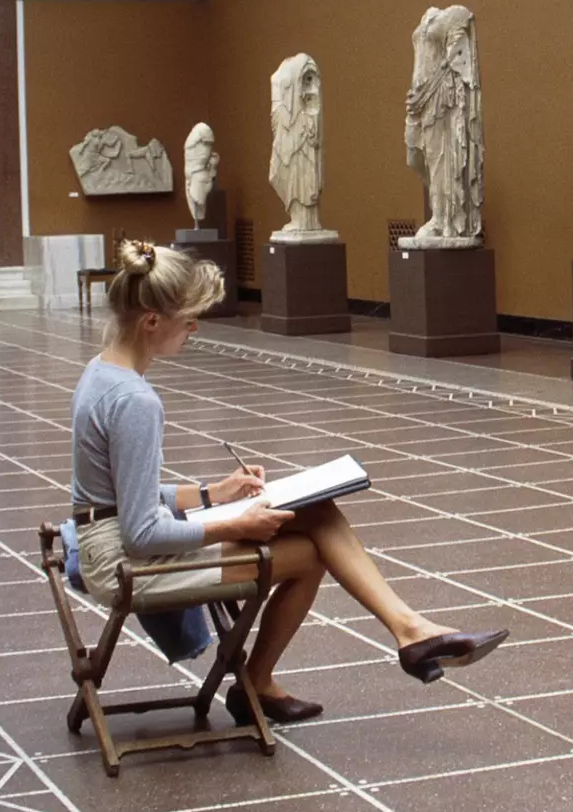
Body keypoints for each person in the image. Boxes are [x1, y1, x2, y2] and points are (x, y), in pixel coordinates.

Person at [71, 241, 507, 724]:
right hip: (124, 564)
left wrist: (217, 493)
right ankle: (271, 675)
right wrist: (239, 523)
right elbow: (141, 533)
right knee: (310, 555)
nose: (194, 329)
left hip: (105, 545)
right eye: (189, 318)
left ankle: (410, 631)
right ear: (152, 321)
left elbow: (120, 495)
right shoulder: (136, 401)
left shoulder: (101, 373)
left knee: (317, 512)